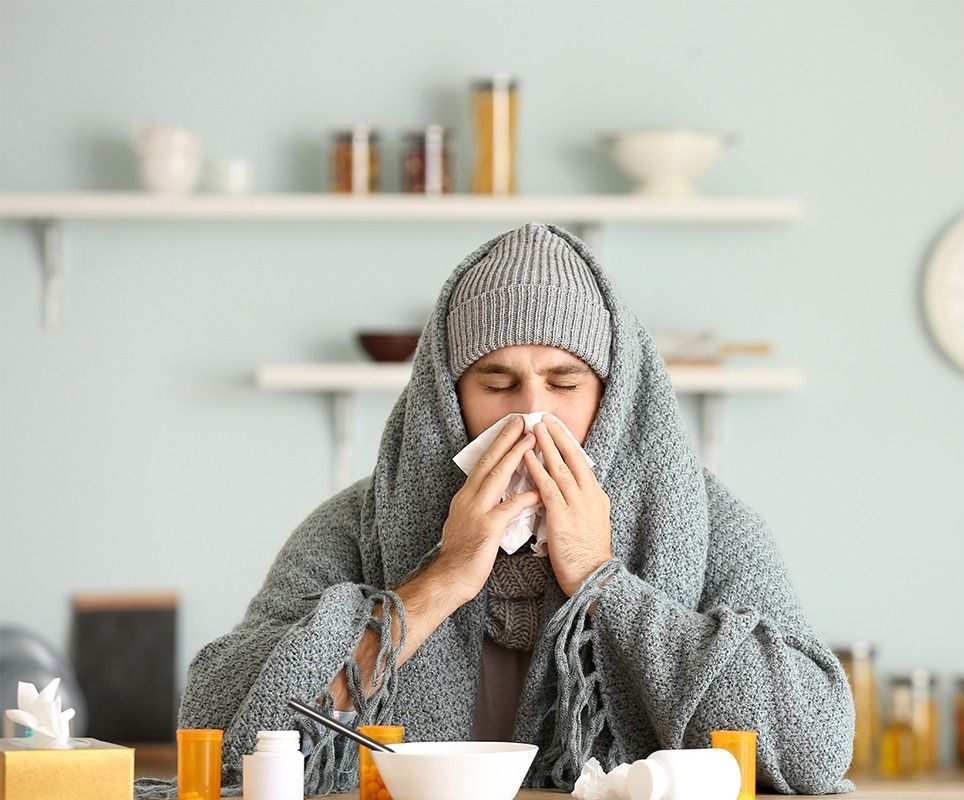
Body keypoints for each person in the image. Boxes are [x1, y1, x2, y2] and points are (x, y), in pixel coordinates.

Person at [137, 222, 855, 798]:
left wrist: (605, 583)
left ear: (612, 397)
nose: (532, 416)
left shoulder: (714, 526)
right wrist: (439, 580)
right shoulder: (350, 527)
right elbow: (222, 739)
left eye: (565, 382)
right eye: (498, 381)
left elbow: (816, 748)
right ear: (447, 398)